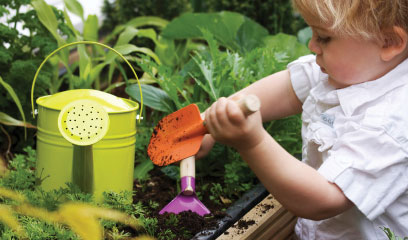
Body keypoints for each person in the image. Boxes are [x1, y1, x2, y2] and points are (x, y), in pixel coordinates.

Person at [197, 0, 408, 239]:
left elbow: (323, 200)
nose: (311, 45)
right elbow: (287, 89)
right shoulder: (351, 70)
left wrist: (252, 142)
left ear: (389, 42)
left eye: (324, 37)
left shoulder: (392, 123)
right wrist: (207, 123)